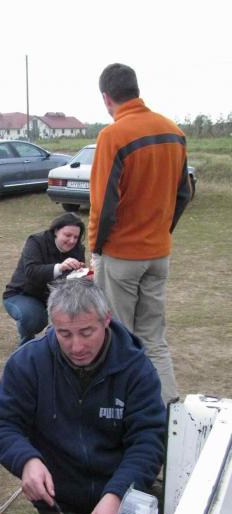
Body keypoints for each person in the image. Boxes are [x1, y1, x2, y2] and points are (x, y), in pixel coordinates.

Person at [0, 278, 165, 514]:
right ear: (52, 325)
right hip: (60, 502)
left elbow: (148, 439)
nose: (77, 346)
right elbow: (2, 423)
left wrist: (117, 495)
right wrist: (26, 460)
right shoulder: (27, 363)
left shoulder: (136, 369)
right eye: (65, 334)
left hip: (123, 494)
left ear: (106, 319)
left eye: (86, 332)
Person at [88, 63, 191, 406]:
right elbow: (184, 194)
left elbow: (103, 204)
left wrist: (96, 249)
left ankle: (124, 412)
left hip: (121, 255)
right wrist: (161, 231)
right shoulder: (174, 132)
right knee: (154, 338)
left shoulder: (113, 135)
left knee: (118, 338)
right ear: (136, 89)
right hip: (158, 254)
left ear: (107, 97)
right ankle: (168, 409)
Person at [3, 212, 86, 345]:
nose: (72, 241)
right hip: (22, 293)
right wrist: (60, 267)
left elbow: (75, 280)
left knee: (79, 311)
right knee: (34, 319)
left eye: (76, 237)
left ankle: (61, 345)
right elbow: (31, 271)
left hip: (54, 296)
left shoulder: (78, 249)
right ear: (56, 231)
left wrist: (82, 274)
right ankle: (26, 342)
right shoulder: (36, 241)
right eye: (68, 235)